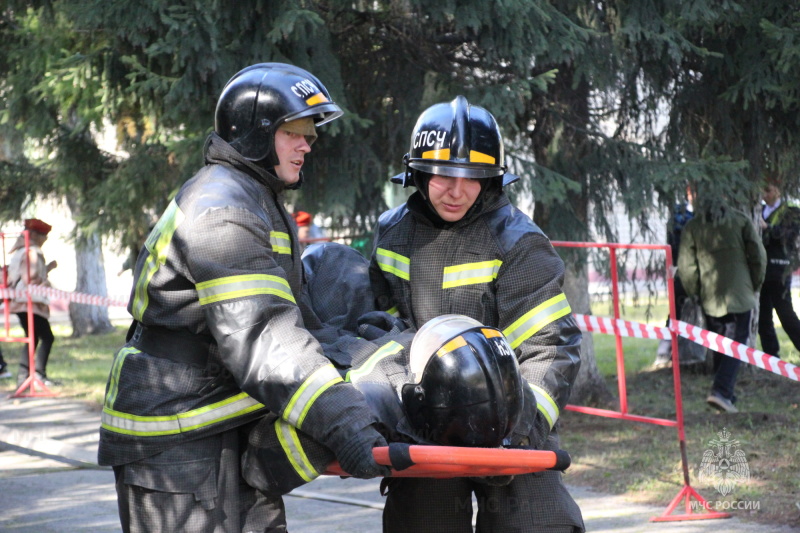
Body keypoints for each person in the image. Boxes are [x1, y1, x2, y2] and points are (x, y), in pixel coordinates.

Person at [97, 63, 390, 532]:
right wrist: (346, 422)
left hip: (219, 415)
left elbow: (291, 316)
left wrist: (366, 352)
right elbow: (264, 340)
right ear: (256, 133)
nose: (308, 143)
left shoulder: (255, 196)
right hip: (175, 435)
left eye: (311, 134)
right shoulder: (224, 209)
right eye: (294, 131)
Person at [369, 96, 585, 532]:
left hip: (510, 428)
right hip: (424, 428)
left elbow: (551, 348)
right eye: (443, 175)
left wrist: (517, 434)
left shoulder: (518, 243)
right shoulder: (393, 236)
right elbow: (380, 332)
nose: (457, 190)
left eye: (473, 177)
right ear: (418, 173)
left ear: (492, 179)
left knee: (539, 523)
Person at [678, 194, 766, 413]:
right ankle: (721, 392)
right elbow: (758, 255)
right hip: (740, 295)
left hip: (710, 296)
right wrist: (753, 285)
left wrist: (696, 293)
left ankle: (725, 395)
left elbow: (686, 267)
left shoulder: (693, 226)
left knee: (720, 344)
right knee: (735, 346)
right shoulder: (740, 220)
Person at [7, 218, 58, 387]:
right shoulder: (32, 251)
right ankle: (38, 375)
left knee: (33, 337)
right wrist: (47, 284)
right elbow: (31, 278)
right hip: (29, 302)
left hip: (21, 300)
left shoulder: (22, 250)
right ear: (36, 235)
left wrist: (48, 269)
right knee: (47, 337)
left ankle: (24, 377)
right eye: (44, 236)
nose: (46, 239)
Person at [757, 181, 800, 357]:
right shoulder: (759, 209)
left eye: (767, 189)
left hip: (779, 269)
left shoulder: (791, 210)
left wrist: (768, 228)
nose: (764, 194)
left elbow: (790, 235)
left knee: (785, 314)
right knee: (763, 317)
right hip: (761, 269)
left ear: (778, 189)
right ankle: (771, 358)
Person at [654, 189, 695, 367]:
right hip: (680, 268)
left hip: (703, 271)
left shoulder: (709, 212)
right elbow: (671, 239)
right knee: (675, 309)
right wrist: (672, 266)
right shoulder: (679, 214)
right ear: (688, 192)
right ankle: (665, 350)